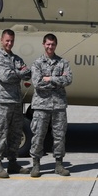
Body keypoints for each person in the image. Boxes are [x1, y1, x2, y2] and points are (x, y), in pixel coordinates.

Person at [0, 29, 32, 179]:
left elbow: (28, 73)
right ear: (1, 40)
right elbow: (5, 76)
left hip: (15, 101)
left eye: (11, 41)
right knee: (0, 133)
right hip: (2, 102)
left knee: (15, 134)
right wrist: (19, 72)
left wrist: (18, 72)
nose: (9, 43)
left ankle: (13, 162)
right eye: (7, 40)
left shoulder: (16, 58)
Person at [30, 33, 73, 177]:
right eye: (48, 44)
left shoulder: (63, 63)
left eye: (52, 44)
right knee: (38, 135)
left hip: (58, 106)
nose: (50, 47)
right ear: (43, 44)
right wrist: (56, 82)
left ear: (56, 45)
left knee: (60, 136)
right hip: (41, 106)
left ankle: (59, 165)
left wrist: (49, 78)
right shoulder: (37, 63)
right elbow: (37, 83)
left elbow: (68, 79)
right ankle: (36, 164)